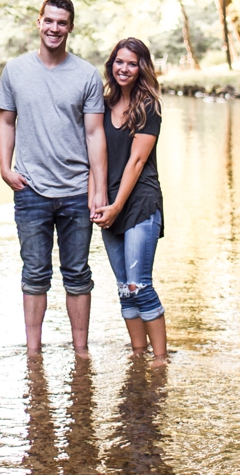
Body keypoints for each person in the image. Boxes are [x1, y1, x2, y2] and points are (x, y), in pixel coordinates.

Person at [0, 0, 108, 355]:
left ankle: (81, 352)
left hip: (77, 191)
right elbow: (6, 121)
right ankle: (33, 354)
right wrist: (4, 168)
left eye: (62, 23)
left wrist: (99, 189)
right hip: (30, 190)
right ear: (39, 22)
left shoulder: (87, 74)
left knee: (77, 274)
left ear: (70, 27)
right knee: (34, 274)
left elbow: (95, 134)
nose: (54, 28)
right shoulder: (15, 70)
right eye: (49, 21)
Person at [93, 37, 168, 365]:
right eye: (119, 62)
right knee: (124, 287)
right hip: (110, 205)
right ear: (111, 65)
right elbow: (93, 157)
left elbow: (137, 162)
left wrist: (117, 206)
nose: (125, 68)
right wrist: (97, 202)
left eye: (132, 63)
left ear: (142, 68)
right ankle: (139, 354)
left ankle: (161, 359)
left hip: (139, 204)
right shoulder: (103, 104)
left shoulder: (148, 106)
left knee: (140, 284)